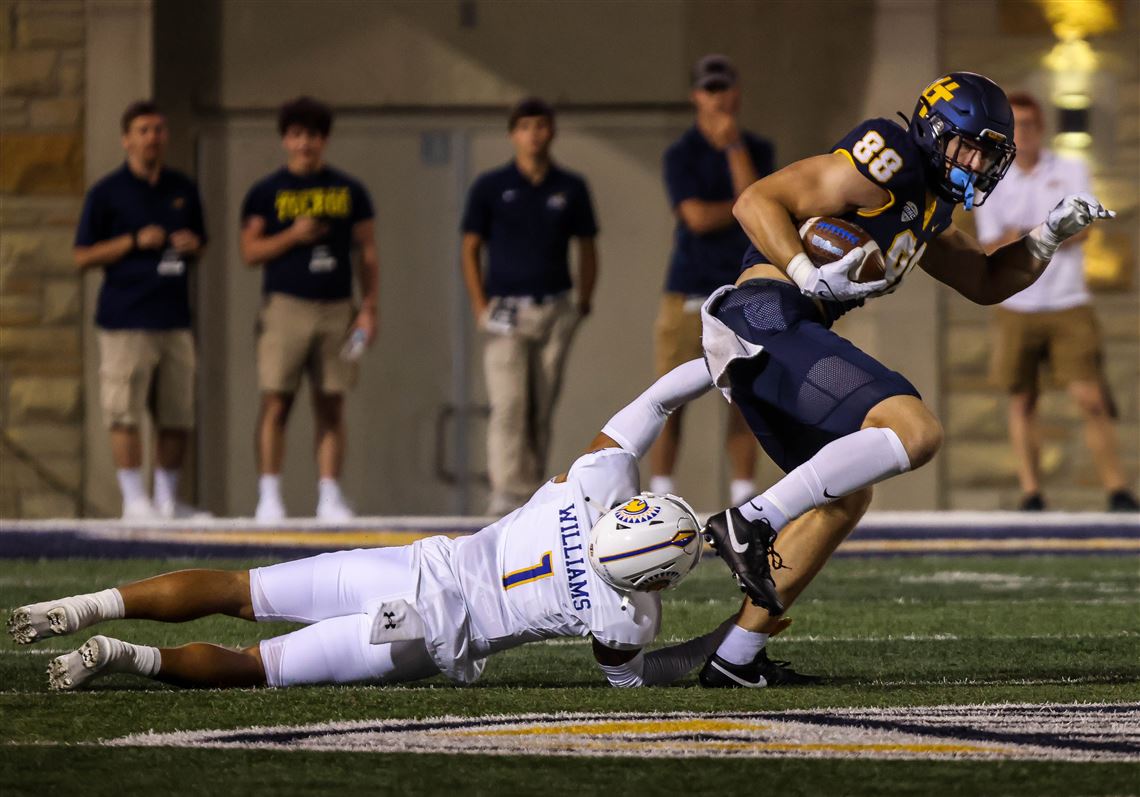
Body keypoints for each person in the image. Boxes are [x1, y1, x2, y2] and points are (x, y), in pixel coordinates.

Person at [695, 73, 1116, 687]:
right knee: (915, 431)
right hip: (765, 313)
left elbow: (985, 281)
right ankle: (751, 520)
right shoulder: (885, 156)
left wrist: (1048, 236)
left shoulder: (930, 205)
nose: (977, 164)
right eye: (969, 147)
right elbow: (754, 201)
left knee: (847, 495)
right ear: (934, 130)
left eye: (989, 154)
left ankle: (735, 655)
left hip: (787, 334)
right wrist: (805, 274)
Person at [9, 360, 764, 693]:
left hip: (406, 571)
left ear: (634, 508)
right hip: (423, 635)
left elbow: (653, 405)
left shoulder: (593, 487)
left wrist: (717, 361)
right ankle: (120, 654)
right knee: (253, 665)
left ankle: (89, 608)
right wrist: (735, 629)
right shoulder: (629, 612)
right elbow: (639, 676)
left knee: (243, 590)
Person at [973, 92, 1139, 512]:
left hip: (1069, 301)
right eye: (1016, 125)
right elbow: (992, 244)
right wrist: (1051, 228)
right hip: (1017, 304)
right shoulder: (990, 175)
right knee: (1022, 399)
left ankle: (1117, 490)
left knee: (1091, 397)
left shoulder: (1071, 168)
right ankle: (1032, 493)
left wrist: (1025, 233)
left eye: (1030, 124)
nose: (1023, 133)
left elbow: (1082, 229)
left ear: (1042, 127)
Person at [240, 97, 380, 522]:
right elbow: (250, 251)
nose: (305, 144)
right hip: (285, 306)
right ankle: (269, 495)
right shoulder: (267, 192)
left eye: (313, 136)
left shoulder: (349, 190)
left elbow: (368, 251)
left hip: (337, 307)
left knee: (332, 403)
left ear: (324, 140)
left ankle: (330, 495)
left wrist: (368, 307)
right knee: (276, 402)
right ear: (286, 139)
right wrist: (294, 236)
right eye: (297, 135)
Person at [461, 97, 599, 516]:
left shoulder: (570, 187)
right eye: (524, 127)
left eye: (540, 126)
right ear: (512, 134)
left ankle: (532, 494)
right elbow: (469, 247)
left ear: (551, 132)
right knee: (509, 403)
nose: (533, 135)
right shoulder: (490, 186)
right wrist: (480, 303)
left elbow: (587, 246)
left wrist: (583, 302)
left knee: (541, 403)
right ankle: (505, 490)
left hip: (554, 307)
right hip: (506, 310)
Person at [73, 100, 208, 520]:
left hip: (174, 317)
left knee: (177, 411)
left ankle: (167, 500)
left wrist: (192, 245)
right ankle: (135, 501)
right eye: (144, 130)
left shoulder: (183, 189)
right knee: (124, 410)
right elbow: (82, 256)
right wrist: (132, 242)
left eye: (159, 130)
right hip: (125, 318)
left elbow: (202, 242)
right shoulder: (107, 193)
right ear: (126, 139)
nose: (153, 138)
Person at [651, 54, 775, 507]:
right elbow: (697, 217)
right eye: (710, 89)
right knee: (671, 395)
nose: (719, 98)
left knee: (746, 395)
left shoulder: (756, 149)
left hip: (744, 289)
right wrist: (739, 207)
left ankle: (745, 495)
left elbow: (757, 211)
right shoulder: (680, 153)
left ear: (737, 92)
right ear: (695, 97)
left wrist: (734, 150)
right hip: (688, 290)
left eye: (725, 87)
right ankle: (661, 492)